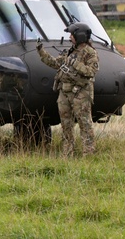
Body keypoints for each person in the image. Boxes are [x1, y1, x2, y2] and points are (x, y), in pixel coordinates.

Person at [37, 22, 100, 155]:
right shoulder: (70, 51)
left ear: (80, 36)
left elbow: (91, 72)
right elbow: (55, 63)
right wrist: (41, 52)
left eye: (72, 34)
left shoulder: (90, 53)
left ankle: (88, 153)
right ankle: (67, 153)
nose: (70, 37)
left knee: (85, 124)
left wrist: (75, 63)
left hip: (80, 93)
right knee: (66, 124)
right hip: (64, 92)